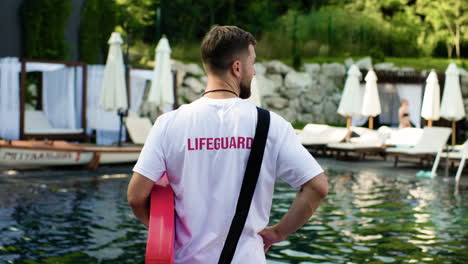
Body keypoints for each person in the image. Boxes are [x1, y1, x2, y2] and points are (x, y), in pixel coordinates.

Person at [127, 25, 328, 264]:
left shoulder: (169, 124)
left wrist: (165, 230)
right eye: (252, 63)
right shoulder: (270, 125)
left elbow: (136, 196)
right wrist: (278, 232)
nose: (254, 72)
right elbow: (317, 187)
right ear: (237, 67)